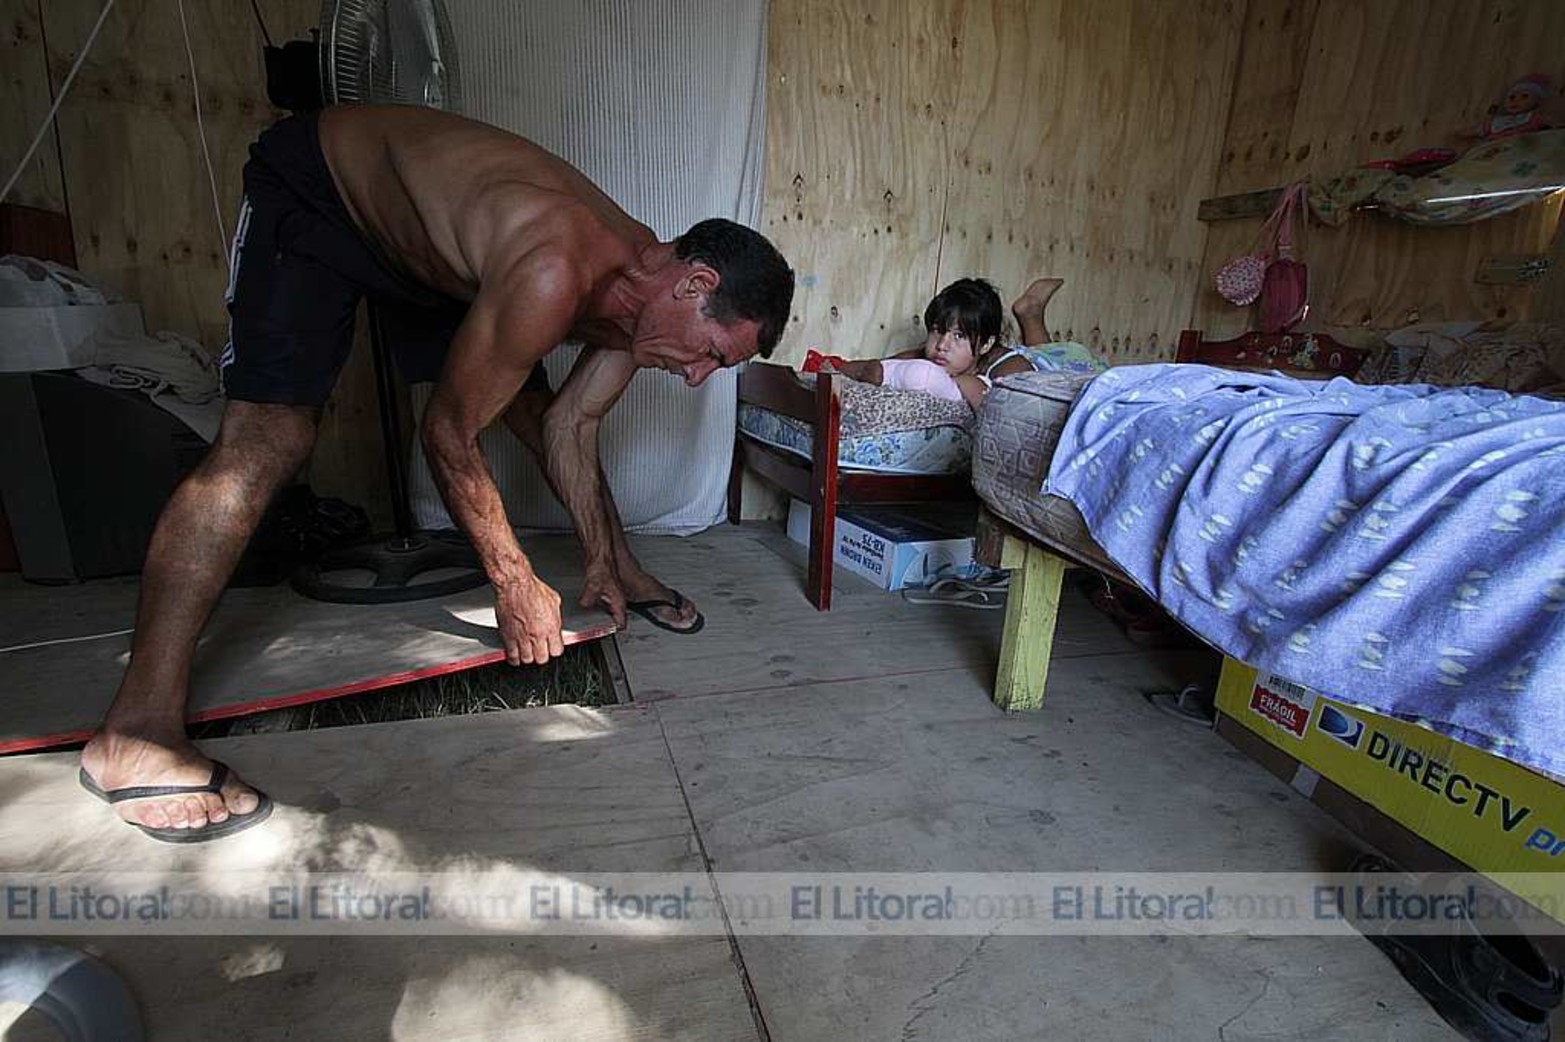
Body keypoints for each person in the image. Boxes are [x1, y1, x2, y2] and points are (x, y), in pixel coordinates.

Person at [78, 104, 795, 842]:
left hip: (430, 256)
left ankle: (624, 565)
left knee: (529, 399)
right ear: (692, 282)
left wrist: (611, 562)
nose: (698, 379)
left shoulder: (633, 309)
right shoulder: (555, 268)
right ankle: (136, 733)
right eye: (712, 353)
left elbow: (569, 426)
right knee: (271, 435)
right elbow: (447, 436)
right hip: (324, 190)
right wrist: (513, 581)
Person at [825, 276, 1100, 409]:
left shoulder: (1013, 371)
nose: (943, 344)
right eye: (937, 330)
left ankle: (1030, 313)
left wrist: (966, 385)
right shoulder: (935, 351)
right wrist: (838, 367)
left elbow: (1016, 415)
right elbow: (884, 368)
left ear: (984, 345)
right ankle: (1030, 311)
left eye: (958, 336)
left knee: (1044, 352)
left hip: (1056, 366)